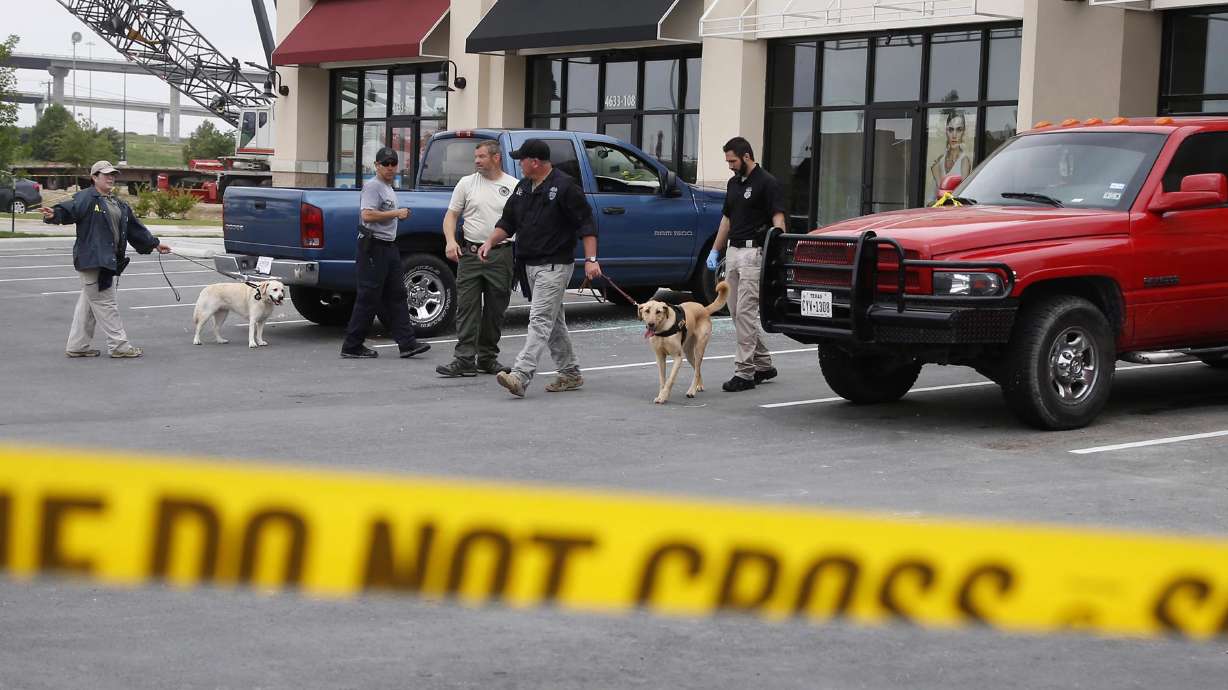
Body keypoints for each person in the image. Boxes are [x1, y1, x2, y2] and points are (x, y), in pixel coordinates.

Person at [477, 138, 601, 398]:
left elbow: (586, 225)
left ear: (534, 161)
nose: (519, 163)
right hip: (529, 265)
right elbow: (508, 221)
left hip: (554, 266)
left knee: (540, 319)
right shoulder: (523, 188)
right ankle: (570, 372)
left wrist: (591, 260)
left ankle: (520, 376)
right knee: (553, 322)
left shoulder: (566, 187)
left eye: (522, 159)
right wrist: (490, 241)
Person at [41, 160, 171, 358]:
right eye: (106, 174)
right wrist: (54, 215)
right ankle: (119, 346)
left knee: (89, 305)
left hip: (107, 261)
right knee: (106, 303)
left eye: (113, 174)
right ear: (94, 177)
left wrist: (154, 243)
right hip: (94, 261)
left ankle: (77, 346)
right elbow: (69, 209)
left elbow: (134, 229)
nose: (111, 178)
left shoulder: (117, 203)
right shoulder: (86, 197)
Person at [705, 137, 786, 392]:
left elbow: (778, 217)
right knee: (735, 312)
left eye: (732, 160)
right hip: (733, 251)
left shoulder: (767, 183)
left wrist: (777, 253)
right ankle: (763, 364)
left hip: (753, 253)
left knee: (746, 313)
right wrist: (715, 250)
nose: (729, 165)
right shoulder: (733, 184)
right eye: (728, 161)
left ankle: (745, 372)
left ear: (747, 156)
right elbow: (726, 220)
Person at [436, 140, 519, 377]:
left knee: (495, 310)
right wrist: (450, 241)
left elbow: (521, 222)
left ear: (496, 158)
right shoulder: (466, 183)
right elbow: (451, 216)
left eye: (482, 156)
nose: (477, 161)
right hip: (470, 255)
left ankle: (487, 358)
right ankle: (463, 359)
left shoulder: (513, 186)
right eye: (476, 157)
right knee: (467, 308)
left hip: (500, 255)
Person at [340, 147, 431, 360]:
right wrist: (397, 213)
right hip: (373, 247)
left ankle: (407, 344)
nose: (390, 168)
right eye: (385, 164)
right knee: (369, 297)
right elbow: (367, 215)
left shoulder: (388, 187)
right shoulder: (373, 186)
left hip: (388, 247)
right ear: (377, 166)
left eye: (393, 164)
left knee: (397, 295)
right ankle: (352, 345)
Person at [929, 111, 973, 194]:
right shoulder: (940, 159)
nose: (954, 135)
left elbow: (960, 196)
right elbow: (931, 197)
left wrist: (938, 177)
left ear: (964, 132)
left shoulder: (964, 161)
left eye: (959, 130)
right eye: (950, 129)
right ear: (946, 131)